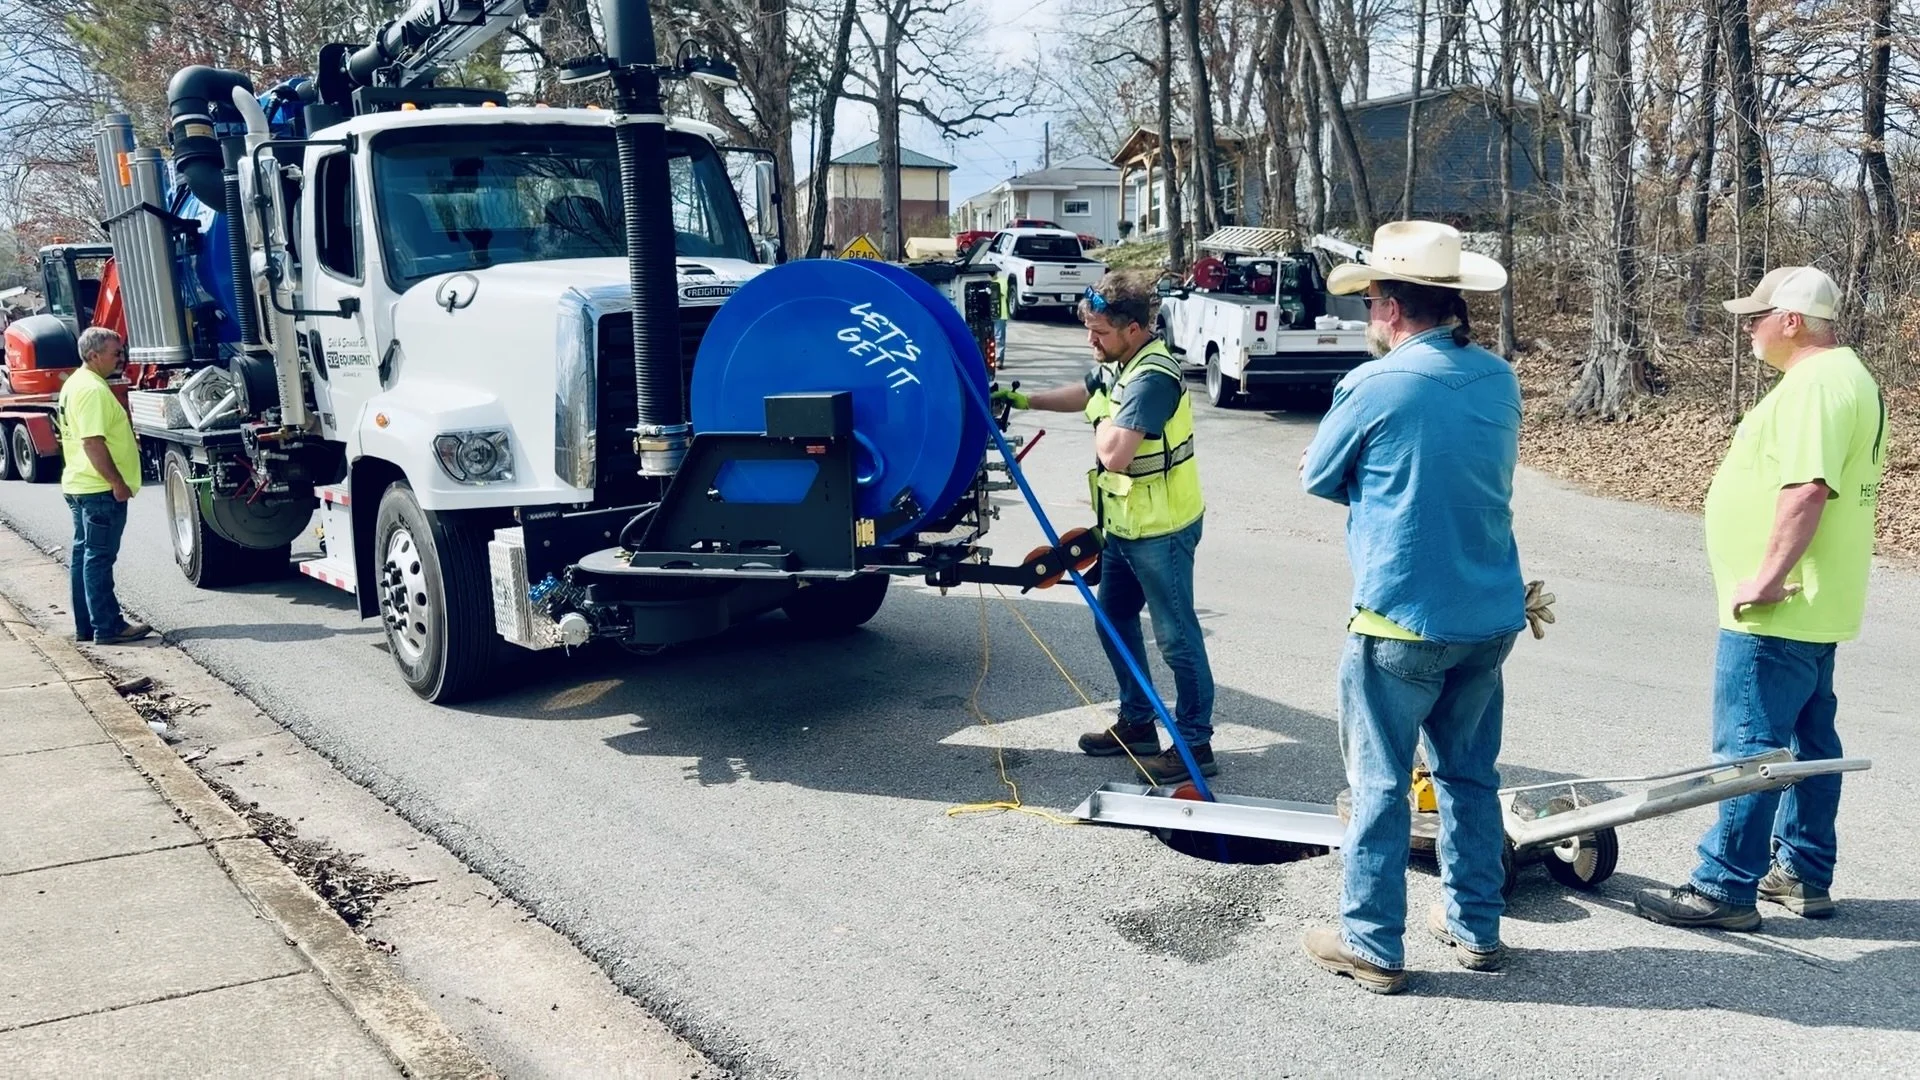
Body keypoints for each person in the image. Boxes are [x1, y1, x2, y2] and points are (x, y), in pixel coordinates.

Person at [1297, 220, 1526, 994]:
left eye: (1370, 305)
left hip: (1401, 618)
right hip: (1490, 614)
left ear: (1391, 307)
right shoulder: (1499, 377)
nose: (1368, 318)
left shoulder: (1376, 384)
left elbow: (1320, 476)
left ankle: (1372, 944)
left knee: (1380, 783)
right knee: (1469, 776)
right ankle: (1476, 926)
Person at [1635, 266, 1887, 931]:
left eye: (1759, 315)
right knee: (1807, 742)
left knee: (1750, 747)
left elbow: (1807, 490)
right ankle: (1801, 870)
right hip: (1813, 603)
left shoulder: (1817, 385)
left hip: (1782, 604)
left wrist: (1768, 578)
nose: (1749, 325)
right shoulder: (1844, 378)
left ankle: (1724, 886)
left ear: (1794, 320)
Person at [992, 270, 1215, 783]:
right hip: (1123, 526)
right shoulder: (1118, 363)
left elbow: (1114, 454)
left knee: (1177, 638)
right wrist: (1025, 401)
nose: (1091, 341)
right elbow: (1087, 390)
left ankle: (1196, 744)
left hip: (1162, 528)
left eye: (1100, 333)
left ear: (1134, 329)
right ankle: (1138, 722)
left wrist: (1097, 415)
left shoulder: (1152, 377)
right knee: (1112, 620)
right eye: (1089, 330)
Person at [58, 326, 150, 645]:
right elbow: (93, 442)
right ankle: (108, 626)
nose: (121, 358)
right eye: (115, 352)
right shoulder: (93, 390)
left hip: (82, 485)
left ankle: (89, 625)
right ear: (93, 355)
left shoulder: (77, 384)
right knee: (98, 558)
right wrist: (117, 482)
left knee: (85, 556)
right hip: (99, 489)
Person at [991, 274, 1010, 367]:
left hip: (1000, 314)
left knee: (999, 338)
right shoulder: (983, 281)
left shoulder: (1002, 281)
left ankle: (999, 360)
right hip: (988, 314)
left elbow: (1002, 293)